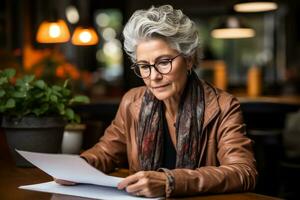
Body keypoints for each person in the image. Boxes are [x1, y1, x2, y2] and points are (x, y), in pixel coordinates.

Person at [56, 4, 257, 198]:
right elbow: (105, 153)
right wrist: (76, 168)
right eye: (144, 66)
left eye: (163, 62)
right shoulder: (132, 101)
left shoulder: (223, 106)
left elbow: (243, 172)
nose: (154, 76)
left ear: (188, 59)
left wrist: (170, 182)